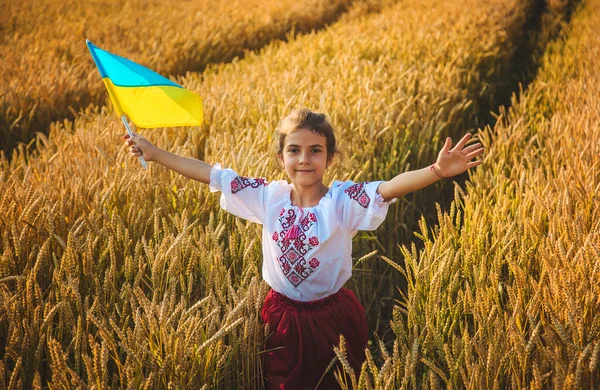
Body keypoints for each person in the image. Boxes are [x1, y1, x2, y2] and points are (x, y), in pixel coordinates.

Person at [123, 108, 484, 389]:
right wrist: (155, 153)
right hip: (280, 318)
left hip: (334, 317)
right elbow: (213, 175)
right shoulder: (269, 197)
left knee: (339, 382)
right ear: (281, 158)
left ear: (329, 158)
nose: (304, 159)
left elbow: (388, 188)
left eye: (315, 151)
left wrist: (436, 171)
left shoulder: (343, 200)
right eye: (294, 150)